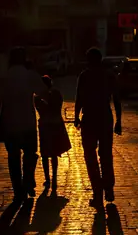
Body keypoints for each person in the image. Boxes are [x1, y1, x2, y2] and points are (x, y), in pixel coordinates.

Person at [0, 47, 47, 202]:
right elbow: (44, 92)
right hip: (28, 123)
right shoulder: (29, 75)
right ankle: (28, 182)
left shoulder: (4, 77)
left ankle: (18, 190)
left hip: (10, 123)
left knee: (13, 158)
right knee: (30, 154)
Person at [75, 47, 122, 204]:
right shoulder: (109, 75)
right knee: (106, 155)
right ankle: (108, 189)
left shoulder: (85, 75)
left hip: (89, 119)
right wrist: (119, 120)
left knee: (90, 156)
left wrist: (76, 117)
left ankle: (97, 192)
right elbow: (116, 99)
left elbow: (79, 98)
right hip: (105, 118)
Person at [35, 75, 71, 192]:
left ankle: (47, 179)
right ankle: (54, 177)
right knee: (54, 153)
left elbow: (39, 109)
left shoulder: (38, 96)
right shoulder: (56, 93)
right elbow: (58, 107)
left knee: (45, 153)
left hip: (45, 124)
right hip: (55, 123)